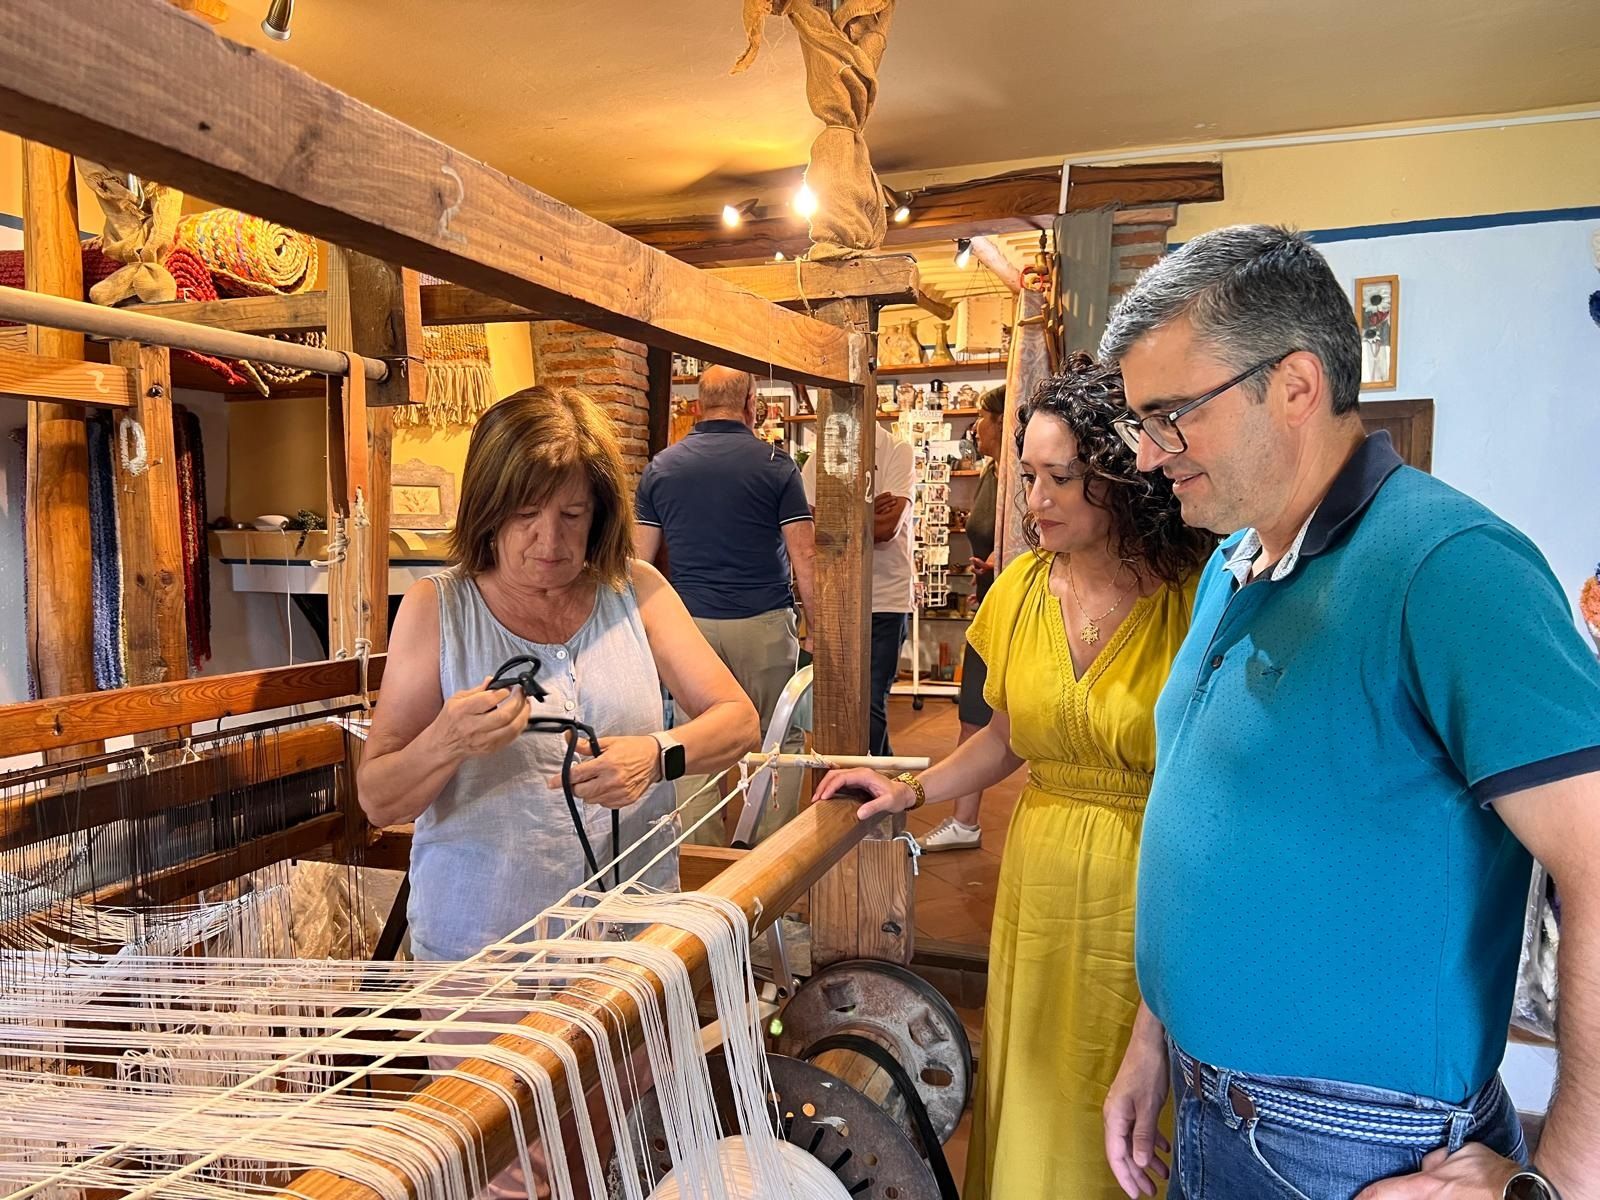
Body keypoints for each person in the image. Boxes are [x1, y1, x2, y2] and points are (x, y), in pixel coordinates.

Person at [1100, 225, 1600, 1200]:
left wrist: (1569, 1182)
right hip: (1208, 1101)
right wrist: (1151, 1039)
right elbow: (1213, 834)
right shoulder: (1229, 564)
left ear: (1292, 385)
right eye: (1138, 422)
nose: (1150, 456)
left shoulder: (1449, 568)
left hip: (1359, 1148)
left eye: (1172, 417)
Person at [815, 354, 1215, 1200]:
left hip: (1155, 880)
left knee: (1136, 1107)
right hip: (1040, 886)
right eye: (1027, 474)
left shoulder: (1194, 597)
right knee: (1039, 1087)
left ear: (1120, 475)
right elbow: (1003, 742)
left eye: (1060, 478)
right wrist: (909, 789)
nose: (1034, 500)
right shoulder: (1023, 590)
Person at [356, 387, 760, 1197]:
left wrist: (658, 753)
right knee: (511, 1177)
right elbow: (378, 796)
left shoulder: (636, 591)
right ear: (489, 509)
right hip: (483, 954)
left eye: (573, 517)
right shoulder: (438, 608)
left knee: (609, 1158)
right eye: (526, 516)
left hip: (627, 950)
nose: (548, 542)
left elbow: (738, 720)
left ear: (602, 514)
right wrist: (447, 741)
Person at [633, 366, 817, 843]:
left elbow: (637, 563)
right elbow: (805, 557)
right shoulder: (777, 466)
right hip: (763, 623)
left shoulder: (661, 468)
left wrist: (637, 633)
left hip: (688, 627)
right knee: (780, 737)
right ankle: (769, 859)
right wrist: (817, 626)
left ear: (698, 404)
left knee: (694, 740)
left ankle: (703, 865)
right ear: (751, 403)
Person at [921, 383, 1004, 852]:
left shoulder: (1013, 473)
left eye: (981, 417)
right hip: (988, 601)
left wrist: (1003, 562)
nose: (975, 426)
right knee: (975, 711)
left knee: (981, 712)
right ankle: (964, 819)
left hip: (1005, 603)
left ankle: (964, 819)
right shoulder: (994, 471)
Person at [801, 423, 915, 756]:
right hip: (836, 599)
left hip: (886, 599)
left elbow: (887, 528)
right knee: (838, 704)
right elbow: (811, 530)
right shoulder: (820, 458)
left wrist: (836, 513)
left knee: (870, 704)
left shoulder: (897, 450)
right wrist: (866, 509)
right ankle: (881, 784)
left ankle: (868, 788)